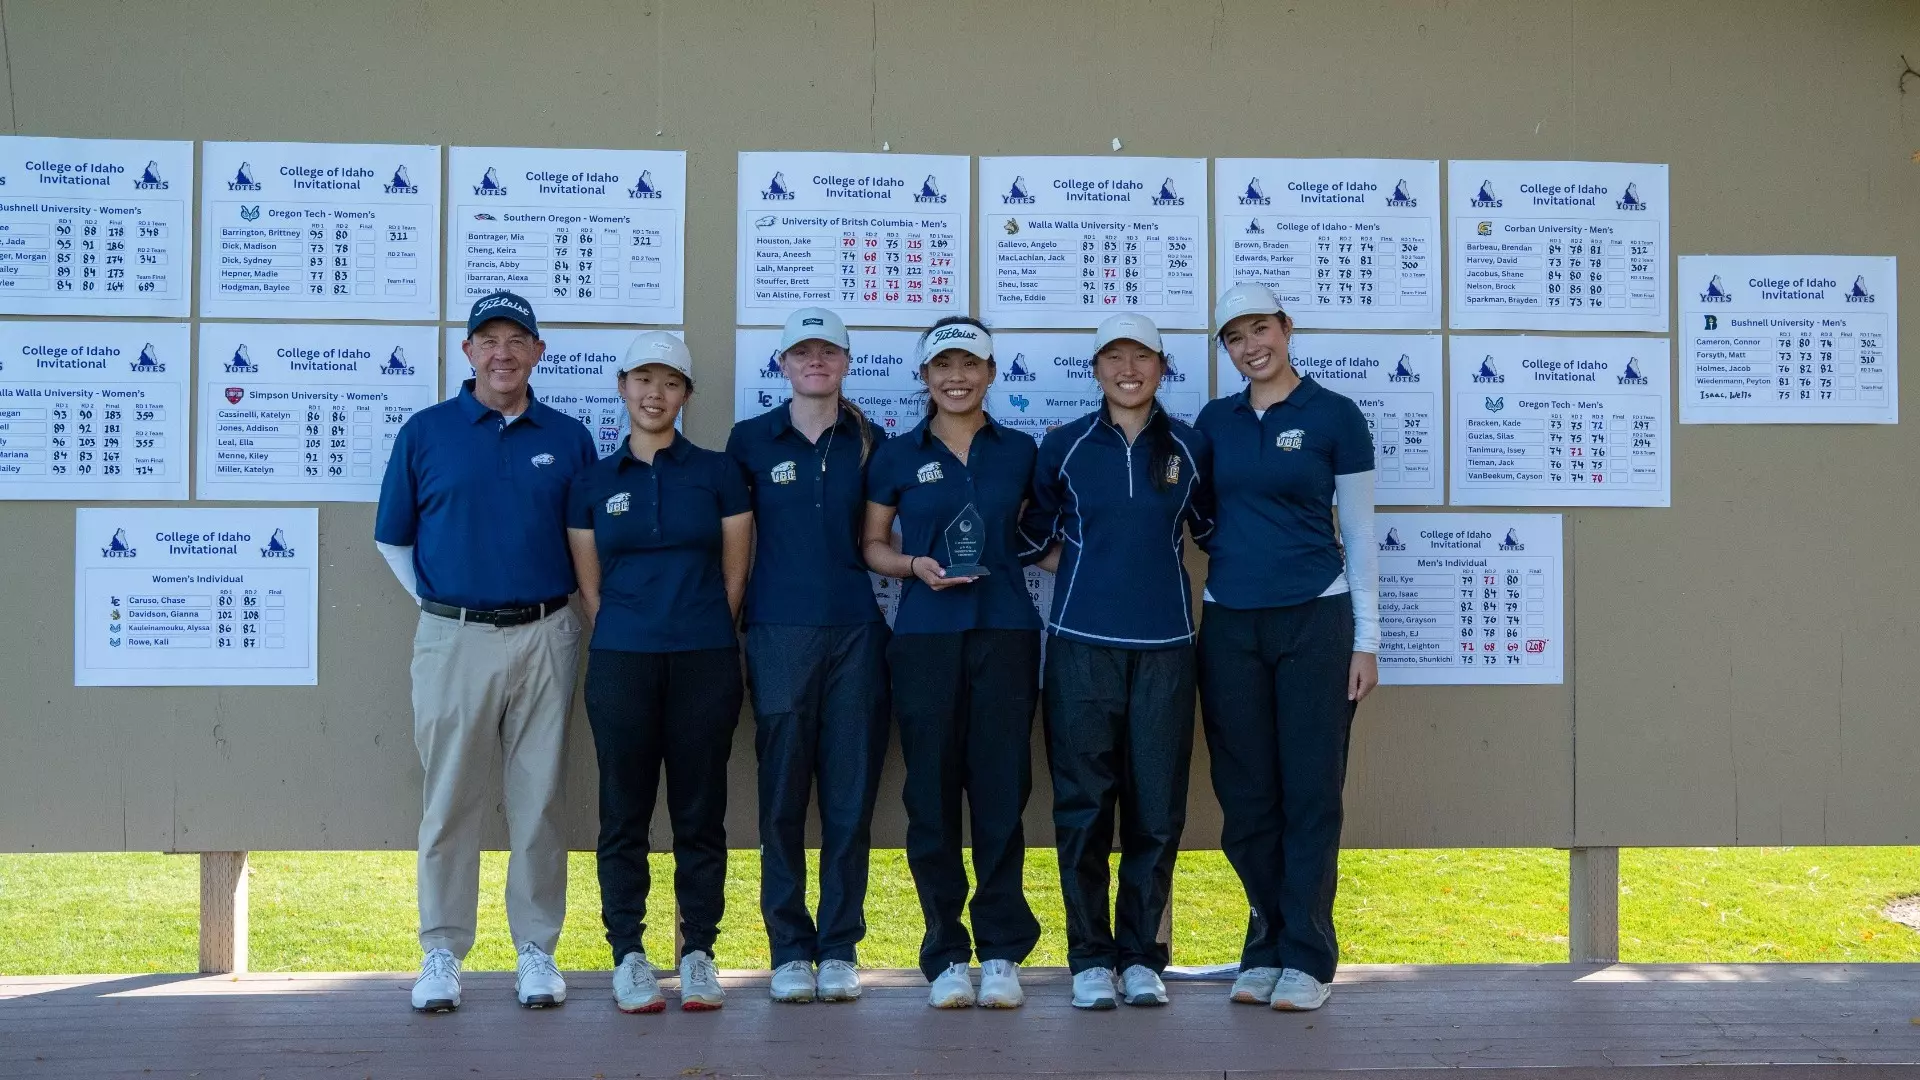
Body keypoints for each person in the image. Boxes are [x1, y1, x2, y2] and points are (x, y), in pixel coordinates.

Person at [374, 291, 596, 1012]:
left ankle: (537, 949)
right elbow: (392, 537)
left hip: (548, 633)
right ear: (467, 352)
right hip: (452, 637)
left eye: (516, 340)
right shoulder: (427, 432)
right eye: (488, 340)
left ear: (538, 351)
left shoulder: (568, 437)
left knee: (539, 800)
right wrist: (442, 609)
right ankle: (441, 950)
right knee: (449, 800)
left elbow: (585, 542)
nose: (502, 353)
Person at [1194, 283, 1380, 1012]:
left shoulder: (1335, 416)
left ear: (1286, 328)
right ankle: (1264, 943)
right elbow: (1197, 515)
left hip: (1317, 619)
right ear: (1227, 350)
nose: (1252, 346)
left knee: (1309, 790)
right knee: (1247, 796)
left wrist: (1366, 641)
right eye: (1236, 337)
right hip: (1231, 623)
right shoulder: (1214, 422)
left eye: (1261, 329)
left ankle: (1306, 956)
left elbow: (1360, 536)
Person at [1022, 313, 1213, 1011]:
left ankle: (1141, 955)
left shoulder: (1190, 446)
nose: (1127, 370)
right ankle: (1089, 958)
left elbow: (1215, 532)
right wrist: (1090, 569)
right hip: (1080, 646)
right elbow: (1031, 533)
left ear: (1162, 367)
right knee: (1082, 809)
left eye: (1141, 358)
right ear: (1096, 368)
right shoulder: (1065, 446)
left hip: (1167, 648)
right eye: (1113, 358)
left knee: (1156, 811)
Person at [861, 316, 1048, 1009]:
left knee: (1001, 793)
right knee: (931, 798)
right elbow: (873, 544)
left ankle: (1000, 950)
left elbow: (1040, 536)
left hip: (1005, 631)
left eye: (970, 365)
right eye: (943, 366)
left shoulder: (1022, 450)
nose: (957, 377)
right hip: (925, 636)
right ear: (925, 377)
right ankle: (945, 952)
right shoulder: (895, 455)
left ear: (992, 373)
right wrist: (914, 566)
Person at [565, 332, 752, 1014]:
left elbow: (735, 574)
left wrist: (695, 627)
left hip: (704, 658)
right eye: (642, 380)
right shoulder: (590, 482)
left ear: (686, 395)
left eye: (669, 382)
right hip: (622, 662)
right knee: (625, 812)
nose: (654, 393)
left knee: (700, 812)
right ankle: (629, 954)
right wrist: (635, 633)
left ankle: (698, 951)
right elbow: (590, 590)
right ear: (622, 388)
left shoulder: (718, 472)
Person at [725, 308, 889, 1004]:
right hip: (776, 633)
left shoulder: (873, 441)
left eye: (828, 351)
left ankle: (841, 945)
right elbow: (732, 543)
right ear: (782, 364)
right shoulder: (749, 440)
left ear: (846, 362)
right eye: (802, 352)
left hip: (857, 630)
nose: (815, 361)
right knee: (783, 796)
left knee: (850, 800)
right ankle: (790, 947)